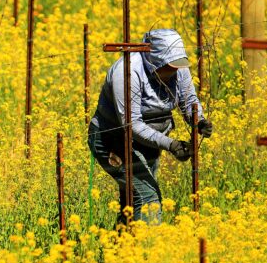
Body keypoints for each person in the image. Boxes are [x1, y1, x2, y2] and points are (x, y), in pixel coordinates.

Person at [88, 28, 213, 225]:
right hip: (113, 140)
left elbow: (189, 101)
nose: (173, 72)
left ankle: (121, 248)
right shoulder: (127, 72)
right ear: (154, 59)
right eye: (168, 67)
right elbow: (132, 124)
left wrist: (199, 121)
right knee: (147, 198)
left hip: (149, 143)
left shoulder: (179, 68)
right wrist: (171, 145)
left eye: (176, 67)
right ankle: (146, 248)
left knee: (131, 200)